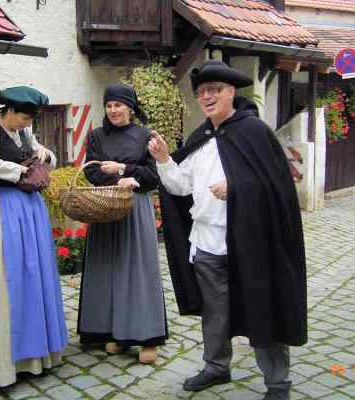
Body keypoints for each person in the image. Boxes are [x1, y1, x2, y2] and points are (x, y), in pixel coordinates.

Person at [147, 61, 307, 400]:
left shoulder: (255, 132)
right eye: (202, 92)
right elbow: (179, 186)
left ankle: (277, 384)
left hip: (252, 244)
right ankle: (216, 367)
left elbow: (278, 188)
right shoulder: (201, 136)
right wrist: (163, 160)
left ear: (231, 92)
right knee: (214, 312)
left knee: (264, 309)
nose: (206, 97)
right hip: (207, 242)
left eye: (214, 90)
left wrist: (238, 187)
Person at [0, 86, 68, 388]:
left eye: (29, 119)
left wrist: (43, 153)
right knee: (7, 279)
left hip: (31, 209)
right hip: (6, 208)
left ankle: (35, 357)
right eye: (23, 118)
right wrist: (19, 170)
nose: (26, 124)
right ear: (8, 110)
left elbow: (49, 158)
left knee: (34, 277)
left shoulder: (25, 129)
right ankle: (5, 363)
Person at [77, 84, 168, 364]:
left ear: (130, 107)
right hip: (105, 207)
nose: (113, 110)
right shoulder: (96, 136)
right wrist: (117, 180)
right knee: (106, 270)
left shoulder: (144, 136)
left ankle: (146, 338)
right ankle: (114, 332)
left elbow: (153, 177)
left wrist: (126, 171)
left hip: (135, 209)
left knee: (138, 272)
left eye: (118, 105)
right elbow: (91, 171)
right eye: (109, 105)